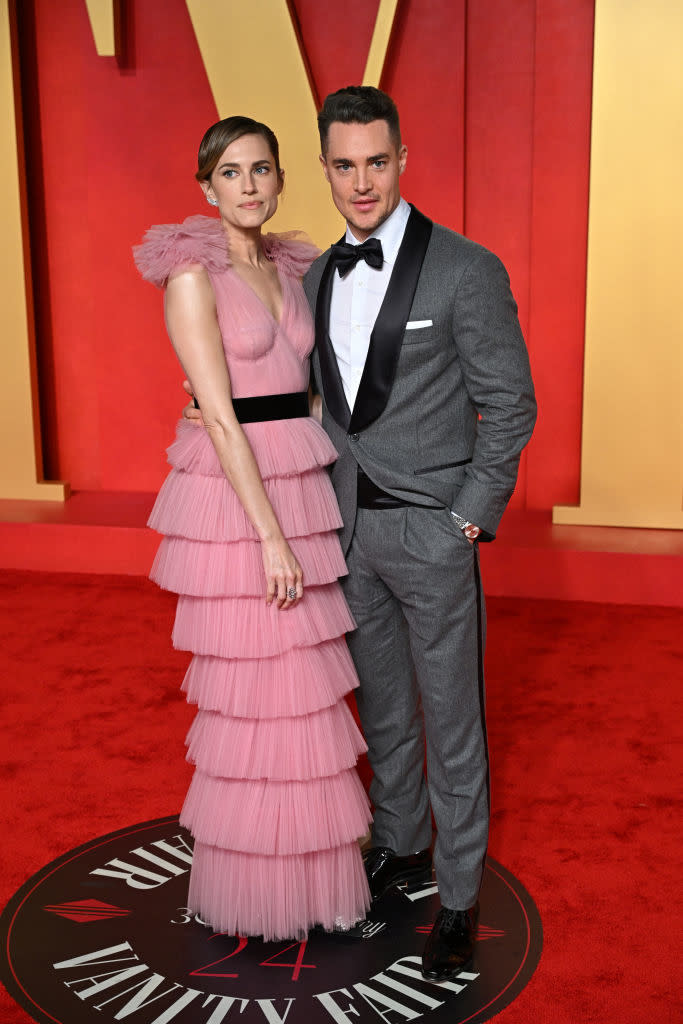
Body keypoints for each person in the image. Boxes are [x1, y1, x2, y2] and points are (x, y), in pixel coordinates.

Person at [303, 86, 537, 979]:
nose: (361, 181)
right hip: (348, 530)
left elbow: (508, 406)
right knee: (386, 711)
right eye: (343, 164)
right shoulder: (319, 275)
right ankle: (399, 846)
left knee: (453, 721)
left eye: (376, 160)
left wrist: (468, 517)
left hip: (435, 535)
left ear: (403, 159)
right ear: (324, 169)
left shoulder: (465, 269)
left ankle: (460, 891)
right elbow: (325, 405)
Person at [133, 115, 371, 942]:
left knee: (305, 695)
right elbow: (224, 419)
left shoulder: (288, 266)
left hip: (298, 482)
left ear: (278, 180)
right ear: (206, 187)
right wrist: (269, 535)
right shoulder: (192, 279)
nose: (248, 186)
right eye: (230, 173)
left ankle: (314, 883)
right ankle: (253, 888)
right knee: (258, 696)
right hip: (241, 501)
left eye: (260, 170)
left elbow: (303, 393)